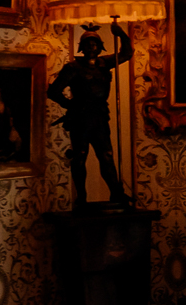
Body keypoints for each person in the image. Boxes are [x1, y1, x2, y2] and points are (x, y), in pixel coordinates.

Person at [46, 22, 131, 207]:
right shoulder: (73, 68)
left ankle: (116, 194)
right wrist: (71, 106)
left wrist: (121, 34)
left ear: (100, 46)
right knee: (80, 156)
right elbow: (53, 92)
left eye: (94, 43)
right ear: (82, 47)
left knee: (107, 155)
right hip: (81, 118)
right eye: (88, 43)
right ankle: (82, 198)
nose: (91, 46)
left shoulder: (104, 64)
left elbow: (126, 54)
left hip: (100, 116)